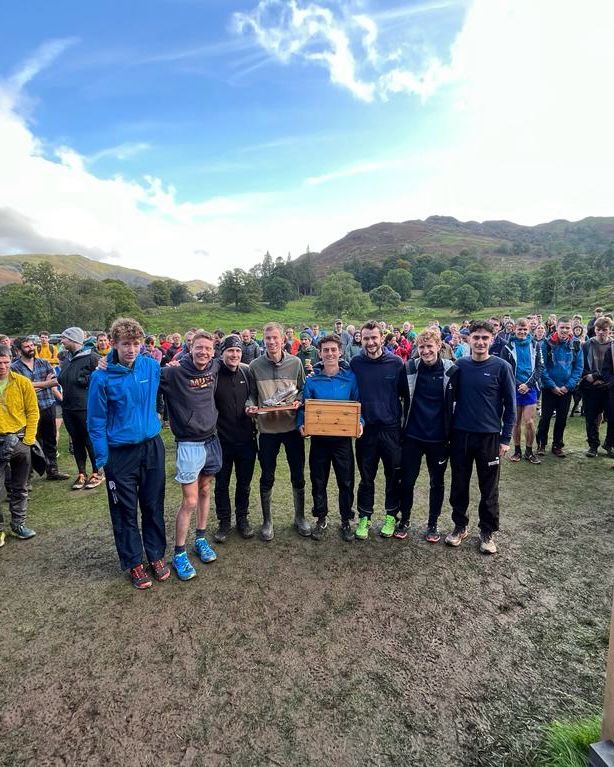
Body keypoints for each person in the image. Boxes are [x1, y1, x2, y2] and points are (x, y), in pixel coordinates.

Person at [87, 318, 169, 590]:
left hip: (151, 447)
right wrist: (101, 458)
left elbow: (175, 375)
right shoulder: (101, 377)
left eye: (136, 344)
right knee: (124, 510)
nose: (131, 349)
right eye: (125, 344)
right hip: (120, 453)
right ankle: (134, 561)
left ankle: (156, 556)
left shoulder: (151, 366)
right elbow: (96, 421)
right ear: (114, 344)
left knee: (153, 504)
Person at [445, 320, 516, 554]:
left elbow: (510, 406)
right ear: (468, 339)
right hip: (461, 436)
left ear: (492, 340)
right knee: (459, 484)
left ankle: (487, 532)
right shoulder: (460, 366)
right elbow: (447, 399)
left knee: (489, 488)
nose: (480, 342)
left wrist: (505, 439)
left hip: (489, 437)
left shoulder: (501, 367)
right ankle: (459, 526)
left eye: (485, 338)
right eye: (476, 337)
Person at [159, 331, 222, 580]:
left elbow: (233, 361)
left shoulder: (214, 367)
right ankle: (179, 552)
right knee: (190, 501)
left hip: (212, 439)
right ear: (190, 348)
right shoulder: (173, 372)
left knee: (206, 490)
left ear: (213, 351)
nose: (204, 352)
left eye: (208, 348)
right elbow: (144, 373)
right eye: (199, 348)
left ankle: (201, 538)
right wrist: (105, 360)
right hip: (188, 443)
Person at [245, 322, 308, 541]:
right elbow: (252, 394)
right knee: (267, 475)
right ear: (264, 339)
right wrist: (249, 406)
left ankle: (299, 517)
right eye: (268, 338)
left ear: (283, 340)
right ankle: (267, 521)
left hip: (291, 428)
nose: (271, 342)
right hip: (268, 430)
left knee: (297, 474)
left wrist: (299, 402)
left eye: (275, 338)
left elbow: (302, 391)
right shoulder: (254, 365)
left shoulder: (296, 362)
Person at [297, 335, 363, 542]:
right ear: (320, 353)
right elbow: (304, 408)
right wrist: (301, 424)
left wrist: (361, 423)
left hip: (343, 442)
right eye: (326, 350)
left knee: (346, 481)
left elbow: (358, 405)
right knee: (318, 481)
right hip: (319, 441)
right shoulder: (312, 381)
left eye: (333, 350)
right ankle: (321, 518)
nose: (330, 354)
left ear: (340, 351)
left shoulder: (350, 378)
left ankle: (345, 519)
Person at [396, 329, 457, 543]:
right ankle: (404, 520)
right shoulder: (410, 368)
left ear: (439, 346)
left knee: (436, 483)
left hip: (439, 439)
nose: (426, 351)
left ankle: (433, 524)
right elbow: (398, 395)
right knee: (407, 482)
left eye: (430, 346)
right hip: (412, 436)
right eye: (421, 347)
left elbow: (457, 402)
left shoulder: (451, 370)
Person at [350, 320, 406, 540]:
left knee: (393, 475)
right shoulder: (355, 363)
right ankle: (364, 517)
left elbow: (404, 394)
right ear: (361, 339)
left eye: (374, 337)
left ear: (382, 338)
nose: (371, 342)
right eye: (366, 338)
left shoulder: (395, 363)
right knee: (366, 477)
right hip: (365, 430)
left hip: (391, 429)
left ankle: (392, 515)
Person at [213, 335, 257, 541]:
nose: (234, 355)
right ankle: (223, 522)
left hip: (246, 439)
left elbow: (253, 396)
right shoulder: (213, 373)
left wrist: (251, 406)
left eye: (238, 351)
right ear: (222, 353)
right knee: (221, 483)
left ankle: (242, 519)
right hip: (221, 441)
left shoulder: (246, 372)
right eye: (230, 351)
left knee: (244, 483)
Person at [10, 337, 70, 481]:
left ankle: (52, 470)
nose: (31, 348)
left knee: (50, 439)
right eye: (26, 346)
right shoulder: (14, 367)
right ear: (18, 350)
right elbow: (20, 389)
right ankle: (27, 476)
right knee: (29, 442)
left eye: (31, 345)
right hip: (27, 410)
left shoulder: (43, 362)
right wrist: (45, 383)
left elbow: (55, 381)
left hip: (47, 405)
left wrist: (33, 385)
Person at [0, 344, 39, 543]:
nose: (3, 366)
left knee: (20, 486)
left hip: (20, 439)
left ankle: (18, 524)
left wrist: (28, 440)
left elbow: (33, 411)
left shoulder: (22, 382)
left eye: (6, 362)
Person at [57, 327, 103, 489]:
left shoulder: (91, 357)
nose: (61, 341)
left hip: (85, 407)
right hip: (69, 407)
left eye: (64, 338)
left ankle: (97, 472)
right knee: (76, 441)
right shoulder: (68, 359)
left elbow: (103, 378)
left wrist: (86, 380)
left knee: (89, 440)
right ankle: (81, 473)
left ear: (74, 339)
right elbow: (62, 379)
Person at [536, 317, 583, 458]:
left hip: (566, 389)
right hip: (549, 388)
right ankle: (541, 444)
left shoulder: (576, 344)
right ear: (556, 327)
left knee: (562, 419)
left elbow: (578, 368)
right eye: (562, 327)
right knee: (545, 418)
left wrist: (568, 386)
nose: (564, 330)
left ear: (571, 329)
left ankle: (557, 445)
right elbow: (542, 366)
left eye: (567, 328)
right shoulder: (547, 343)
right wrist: (552, 385)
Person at [502, 319, 544, 464]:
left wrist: (528, 384)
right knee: (515, 422)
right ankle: (517, 451)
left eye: (525, 329)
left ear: (528, 330)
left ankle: (529, 451)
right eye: (520, 329)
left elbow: (539, 367)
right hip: (513, 388)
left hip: (530, 388)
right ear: (514, 329)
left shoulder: (535, 344)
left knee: (530, 422)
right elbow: (504, 369)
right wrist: (519, 384)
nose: (522, 332)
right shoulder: (507, 346)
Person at [580, 317, 614, 458]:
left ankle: (609, 444)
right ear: (594, 330)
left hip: (609, 386)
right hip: (590, 386)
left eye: (604, 330)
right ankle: (593, 445)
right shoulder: (587, 345)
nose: (601, 333)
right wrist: (588, 377)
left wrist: (604, 380)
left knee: (612, 417)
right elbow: (580, 365)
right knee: (591, 418)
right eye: (598, 330)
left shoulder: (613, 346)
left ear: (610, 330)